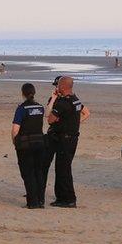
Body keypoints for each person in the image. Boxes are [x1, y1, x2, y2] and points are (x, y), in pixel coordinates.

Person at [43, 75, 90, 208]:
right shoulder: (75, 100)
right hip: (72, 138)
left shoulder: (63, 102)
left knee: (62, 169)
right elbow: (84, 113)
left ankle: (67, 199)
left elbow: (50, 119)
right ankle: (64, 197)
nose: (56, 87)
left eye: (58, 85)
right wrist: (73, 124)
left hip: (64, 139)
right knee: (64, 168)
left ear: (62, 87)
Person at [12, 83, 47, 209]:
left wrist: (15, 143)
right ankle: (40, 200)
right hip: (39, 142)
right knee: (39, 172)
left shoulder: (21, 109)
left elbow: (15, 129)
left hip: (25, 144)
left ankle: (32, 202)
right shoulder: (40, 107)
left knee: (28, 173)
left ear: (23, 93)